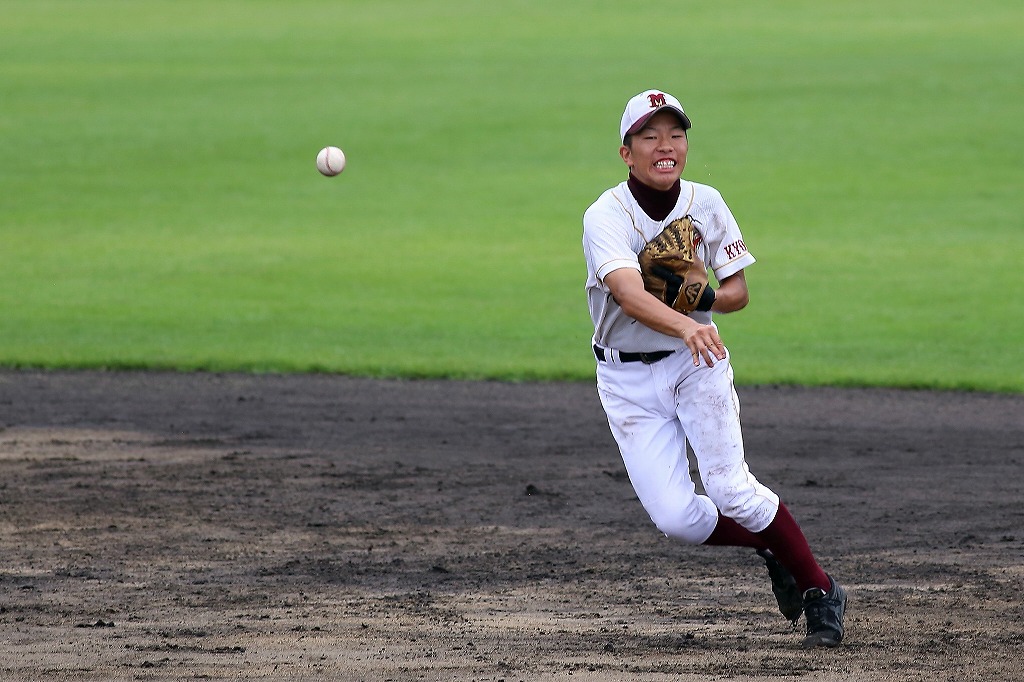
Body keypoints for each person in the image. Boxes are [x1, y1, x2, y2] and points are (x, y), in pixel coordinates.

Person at [581, 89, 847, 647]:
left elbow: (738, 292)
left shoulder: (706, 203)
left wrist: (698, 294)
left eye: (675, 134)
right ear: (626, 153)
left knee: (733, 491)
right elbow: (627, 293)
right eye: (649, 136)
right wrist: (686, 317)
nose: (665, 146)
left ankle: (820, 589)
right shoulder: (605, 215)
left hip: (695, 362)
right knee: (677, 519)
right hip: (626, 379)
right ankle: (769, 546)